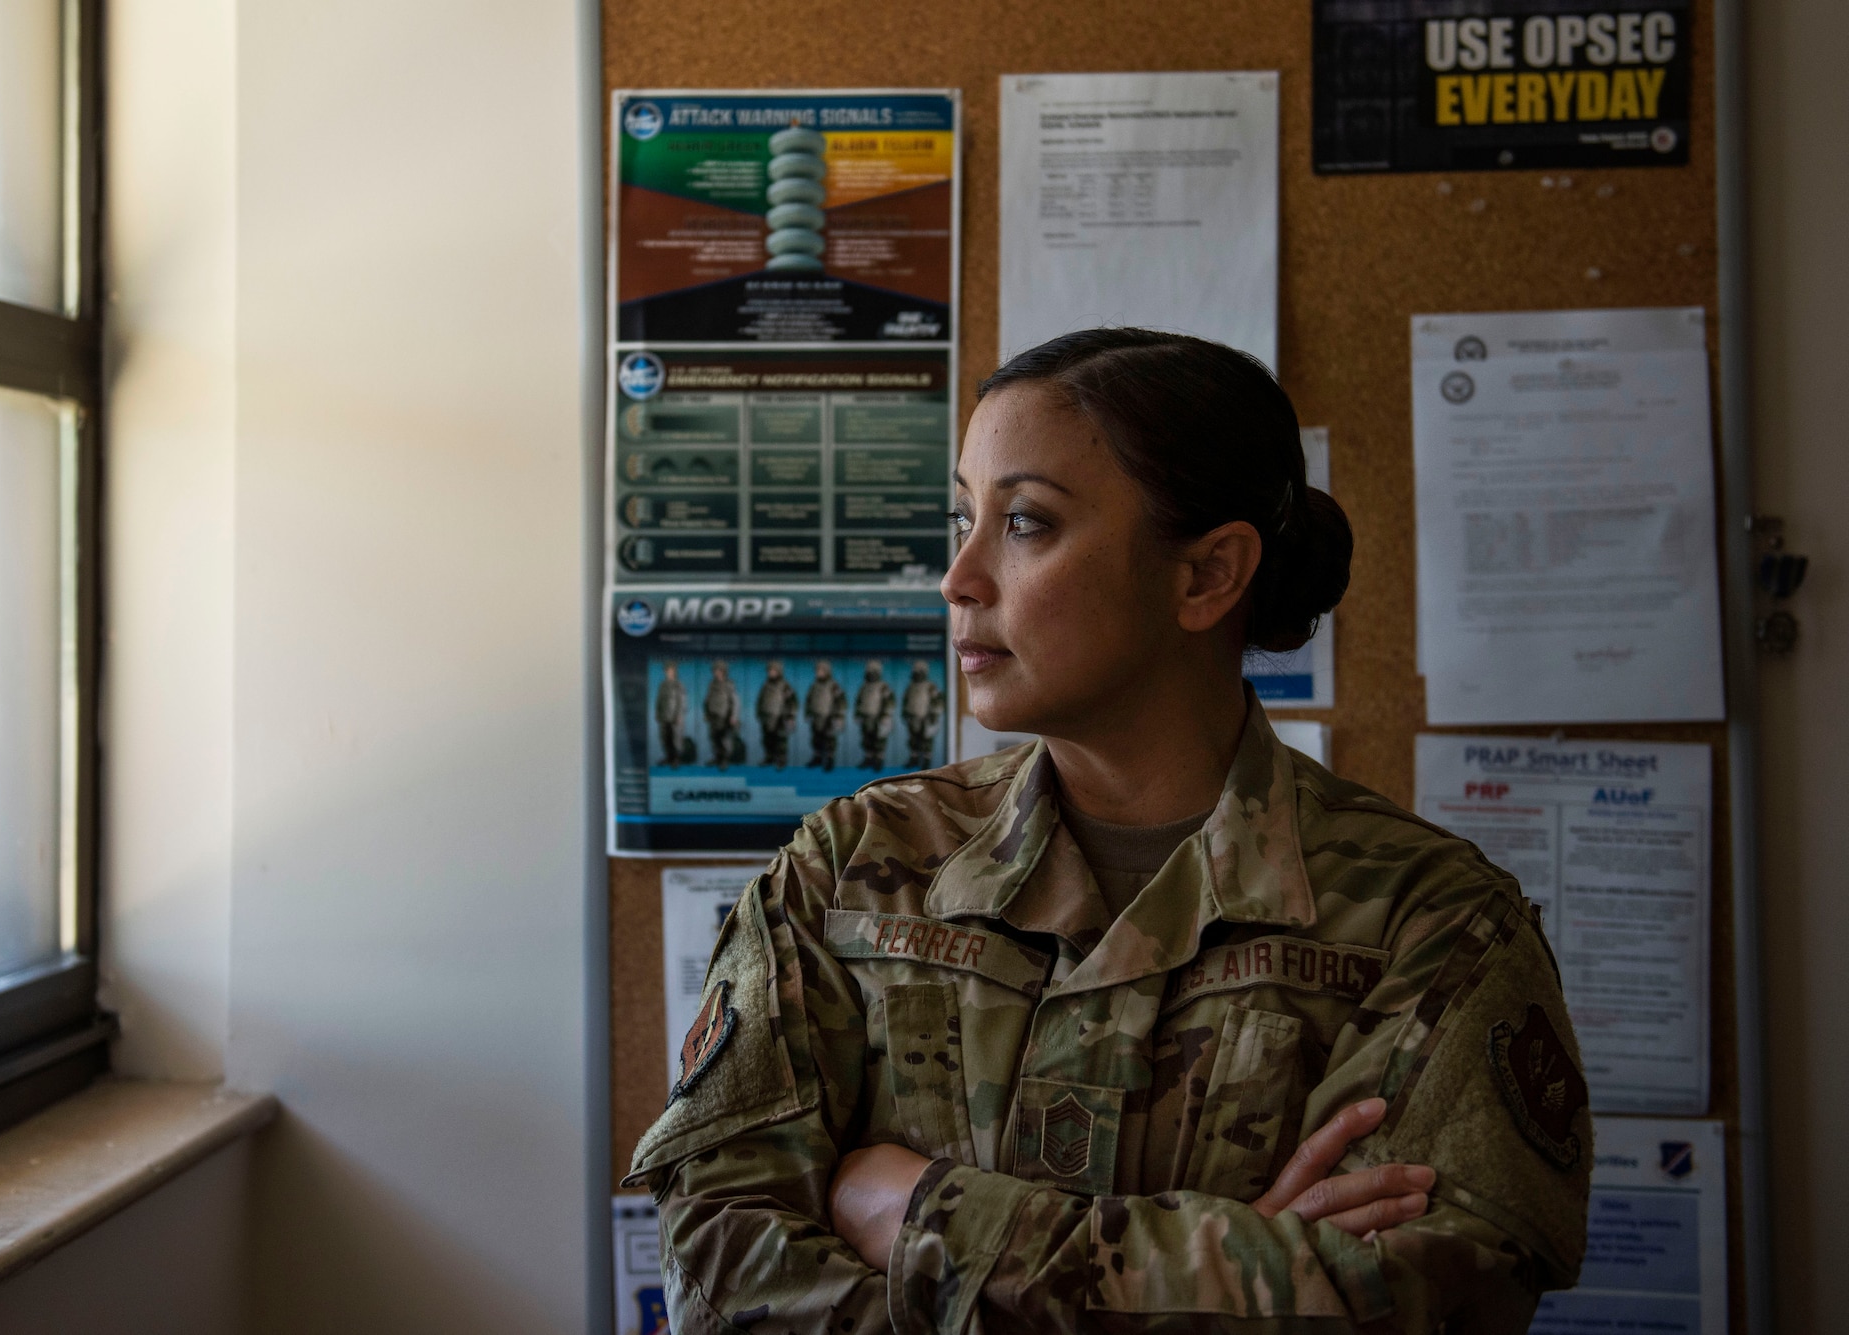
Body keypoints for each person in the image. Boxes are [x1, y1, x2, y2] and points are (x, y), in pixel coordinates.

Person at [629, 329, 1591, 1333]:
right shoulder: (851, 871)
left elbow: (1428, 1301)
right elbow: (723, 1278)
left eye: (1026, 523)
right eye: (965, 516)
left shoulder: (1429, 926)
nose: (958, 576)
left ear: (1205, 576)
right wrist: (1233, 1266)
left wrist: (918, 1208)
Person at [901, 659, 944, 770]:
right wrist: (905, 713)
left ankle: (926, 761)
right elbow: (905, 701)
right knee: (913, 740)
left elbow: (938, 701)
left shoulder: (931, 686)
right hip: (912, 718)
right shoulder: (910, 687)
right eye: (915, 671)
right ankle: (914, 759)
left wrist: (934, 715)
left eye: (920, 671)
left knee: (926, 741)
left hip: (926, 719)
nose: (917, 674)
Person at [804, 660, 847, 772]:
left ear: (827, 672)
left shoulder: (833, 686)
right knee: (816, 738)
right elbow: (809, 700)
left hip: (829, 717)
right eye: (817, 670)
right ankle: (817, 758)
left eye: (821, 670)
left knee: (829, 739)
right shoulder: (814, 686)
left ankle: (830, 759)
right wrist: (808, 713)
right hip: (816, 717)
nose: (819, 673)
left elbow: (841, 701)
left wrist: (838, 716)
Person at [756, 661, 799, 769]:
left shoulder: (785, 686)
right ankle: (769, 758)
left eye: (773, 671)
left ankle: (781, 760)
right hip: (767, 717)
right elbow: (760, 700)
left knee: (780, 740)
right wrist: (759, 712)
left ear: (779, 672)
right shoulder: (766, 685)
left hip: (780, 717)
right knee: (767, 739)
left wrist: (790, 716)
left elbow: (792, 702)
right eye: (769, 671)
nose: (771, 673)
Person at [854, 660, 896, 770]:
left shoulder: (884, 687)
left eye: (873, 671)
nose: (870, 673)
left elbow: (890, 702)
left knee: (879, 740)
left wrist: (886, 715)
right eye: (868, 671)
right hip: (866, 718)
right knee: (867, 739)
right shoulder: (864, 687)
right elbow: (858, 701)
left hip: (879, 718)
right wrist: (857, 714)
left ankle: (879, 760)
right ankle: (868, 759)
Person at [702, 660, 740, 770]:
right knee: (714, 739)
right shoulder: (712, 684)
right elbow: (707, 701)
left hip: (724, 718)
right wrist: (706, 713)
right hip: (713, 717)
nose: (716, 673)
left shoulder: (729, 685)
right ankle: (717, 758)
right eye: (715, 671)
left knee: (724, 740)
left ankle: (724, 760)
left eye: (718, 670)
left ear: (724, 671)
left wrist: (734, 716)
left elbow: (735, 702)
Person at [653, 660, 687, 768]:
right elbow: (659, 701)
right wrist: (658, 713)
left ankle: (676, 759)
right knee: (665, 738)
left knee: (675, 739)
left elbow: (682, 702)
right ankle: (669, 758)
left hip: (674, 717)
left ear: (674, 672)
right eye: (667, 670)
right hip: (664, 717)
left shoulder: (678, 685)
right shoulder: (662, 685)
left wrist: (679, 715)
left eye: (670, 670)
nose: (668, 672)